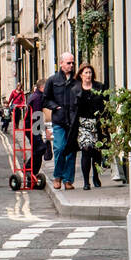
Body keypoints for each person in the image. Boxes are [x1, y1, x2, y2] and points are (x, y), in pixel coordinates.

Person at [41, 52, 79, 190]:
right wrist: (55, 107)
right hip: (59, 120)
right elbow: (45, 99)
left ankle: (68, 180)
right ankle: (57, 177)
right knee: (59, 148)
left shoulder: (76, 81)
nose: (71, 65)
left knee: (71, 151)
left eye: (73, 63)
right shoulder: (52, 80)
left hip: (73, 121)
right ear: (61, 63)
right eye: (68, 63)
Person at [65, 63, 105, 189]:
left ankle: (96, 176)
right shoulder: (75, 89)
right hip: (83, 124)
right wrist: (71, 123)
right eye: (86, 72)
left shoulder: (100, 87)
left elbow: (105, 105)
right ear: (81, 75)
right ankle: (86, 182)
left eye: (90, 72)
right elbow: (71, 108)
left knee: (96, 152)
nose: (88, 75)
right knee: (86, 150)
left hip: (97, 123)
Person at [27, 81, 50, 181]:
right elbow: (36, 115)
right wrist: (44, 129)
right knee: (40, 148)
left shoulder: (37, 96)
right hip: (32, 127)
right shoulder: (37, 97)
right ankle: (28, 169)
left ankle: (32, 175)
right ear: (42, 87)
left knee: (38, 150)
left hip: (33, 127)